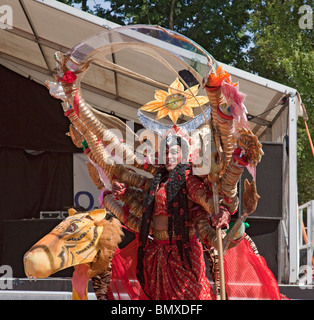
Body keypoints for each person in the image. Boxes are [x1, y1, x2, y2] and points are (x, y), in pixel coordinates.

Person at [111, 134, 234, 300]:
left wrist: (219, 211)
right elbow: (139, 194)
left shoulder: (188, 180)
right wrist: (123, 191)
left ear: (183, 155)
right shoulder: (157, 181)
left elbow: (204, 198)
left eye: (174, 153)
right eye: (166, 153)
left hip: (183, 255)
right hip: (157, 254)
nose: (169, 157)